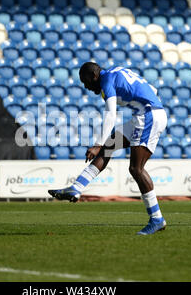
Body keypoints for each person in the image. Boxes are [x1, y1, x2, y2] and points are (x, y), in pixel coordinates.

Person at [48, 62, 168, 235]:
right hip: (145, 113)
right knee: (109, 146)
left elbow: (111, 115)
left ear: (93, 76)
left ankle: (157, 219)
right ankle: (77, 187)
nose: (86, 86)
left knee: (136, 168)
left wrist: (97, 143)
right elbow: (153, 90)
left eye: (85, 81)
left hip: (148, 116)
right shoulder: (116, 71)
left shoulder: (105, 82)